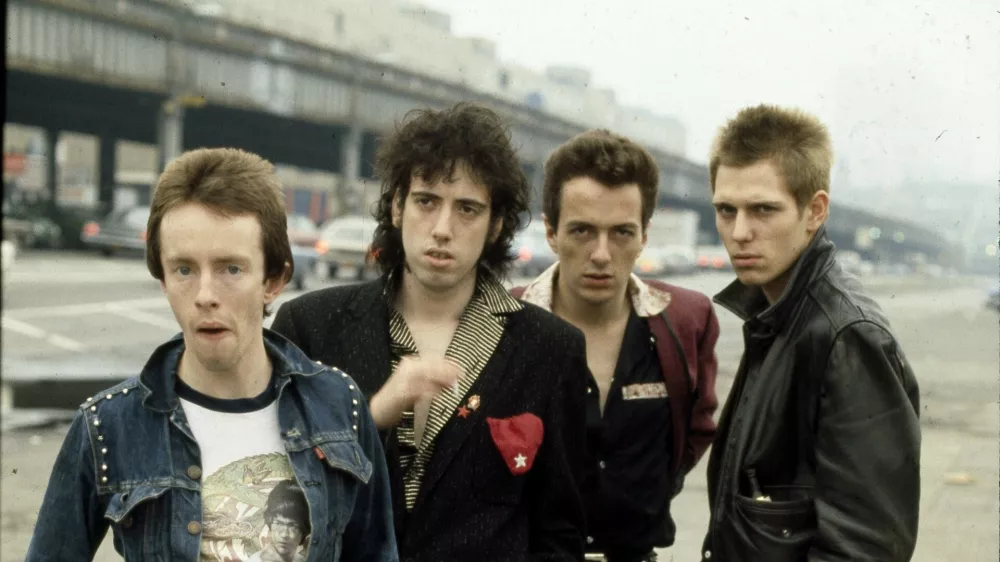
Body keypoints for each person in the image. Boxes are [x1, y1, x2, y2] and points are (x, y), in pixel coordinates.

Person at [26, 148, 398, 562]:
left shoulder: (337, 405)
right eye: (184, 269)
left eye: (230, 269)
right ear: (163, 279)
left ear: (273, 280)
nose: (205, 296)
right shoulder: (108, 426)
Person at [270, 102, 590, 561]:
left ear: (496, 224)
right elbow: (272, 489)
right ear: (397, 206)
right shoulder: (310, 326)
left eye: (467, 209)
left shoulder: (550, 349)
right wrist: (372, 413)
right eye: (426, 201)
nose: (442, 228)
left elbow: (558, 533)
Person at [700, 104, 921, 561]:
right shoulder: (775, 314)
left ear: (814, 211)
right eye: (726, 210)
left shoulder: (846, 335)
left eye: (763, 209)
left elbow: (865, 547)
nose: (740, 232)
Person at [510, 129, 721, 562]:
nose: (602, 254)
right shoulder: (504, 323)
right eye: (583, 231)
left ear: (644, 234)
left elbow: (695, 430)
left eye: (622, 233)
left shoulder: (687, 320)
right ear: (551, 232)